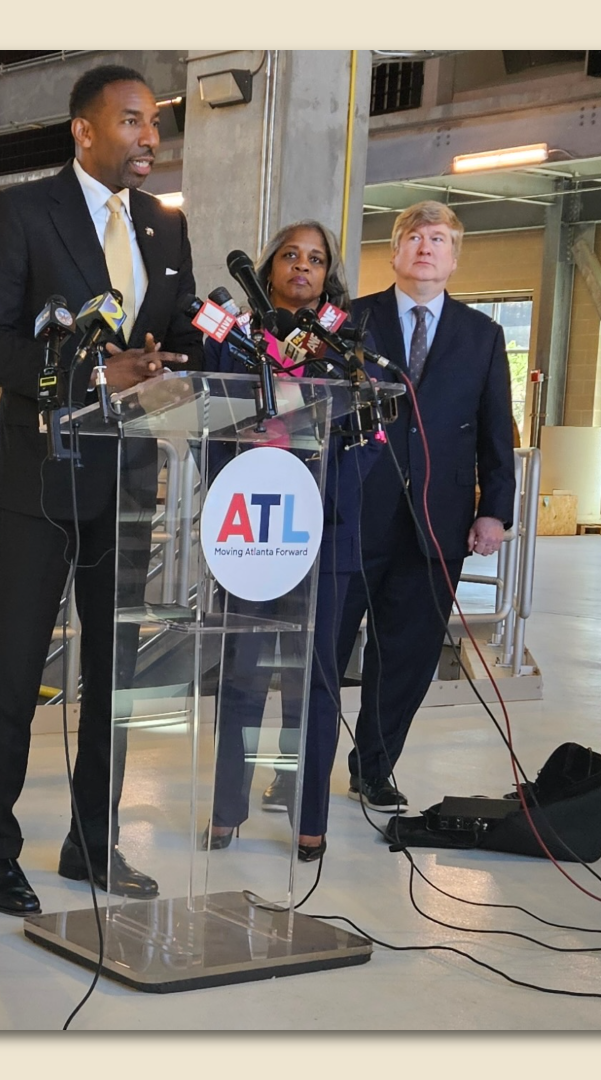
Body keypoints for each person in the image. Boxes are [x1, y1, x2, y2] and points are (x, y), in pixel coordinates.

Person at [0, 64, 201, 915]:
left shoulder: (165, 230)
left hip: (129, 478)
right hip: (39, 480)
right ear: (85, 130)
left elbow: (180, 340)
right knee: (18, 673)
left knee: (114, 677)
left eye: (155, 124)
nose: (149, 138)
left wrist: (185, 369)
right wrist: (96, 370)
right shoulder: (23, 212)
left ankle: (92, 843)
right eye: (132, 121)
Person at [202, 221, 381, 862]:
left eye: (316, 258)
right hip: (250, 527)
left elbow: (366, 429)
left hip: (325, 523)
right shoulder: (236, 338)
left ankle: (311, 819)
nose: (301, 266)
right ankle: (227, 811)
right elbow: (207, 417)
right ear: (269, 266)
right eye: (289, 255)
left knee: (320, 679)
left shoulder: (344, 343)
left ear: (327, 272)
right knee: (243, 677)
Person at [340, 200, 516, 812]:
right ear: (393, 252)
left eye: (438, 239)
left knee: (408, 653)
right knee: (326, 645)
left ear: (454, 258)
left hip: (436, 524)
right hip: (353, 514)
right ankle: (297, 768)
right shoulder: (350, 323)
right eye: (414, 237)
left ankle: (375, 768)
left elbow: (498, 430)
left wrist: (494, 509)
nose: (425, 247)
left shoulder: (483, 336)